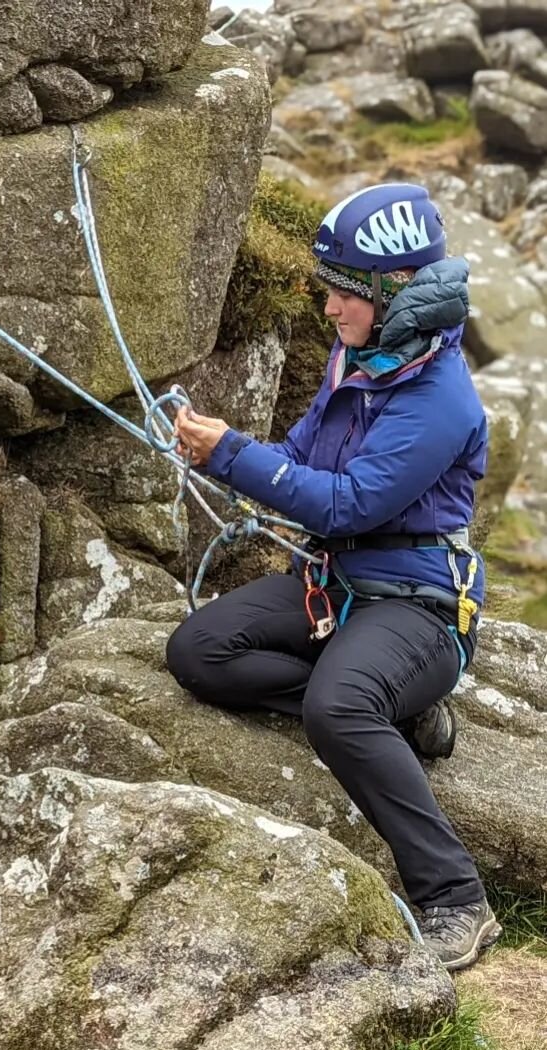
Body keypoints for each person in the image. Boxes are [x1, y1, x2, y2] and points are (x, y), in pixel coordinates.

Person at [165, 182, 500, 972]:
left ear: (389, 294)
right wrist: (228, 449)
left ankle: (456, 898)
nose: (327, 309)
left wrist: (233, 459)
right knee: (199, 651)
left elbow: (348, 504)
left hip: (420, 608)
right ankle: (393, 715)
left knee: (337, 704)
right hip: (338, 587)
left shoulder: (438, 396)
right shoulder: (362, 357)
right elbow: (304, 460)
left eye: (341, 293)